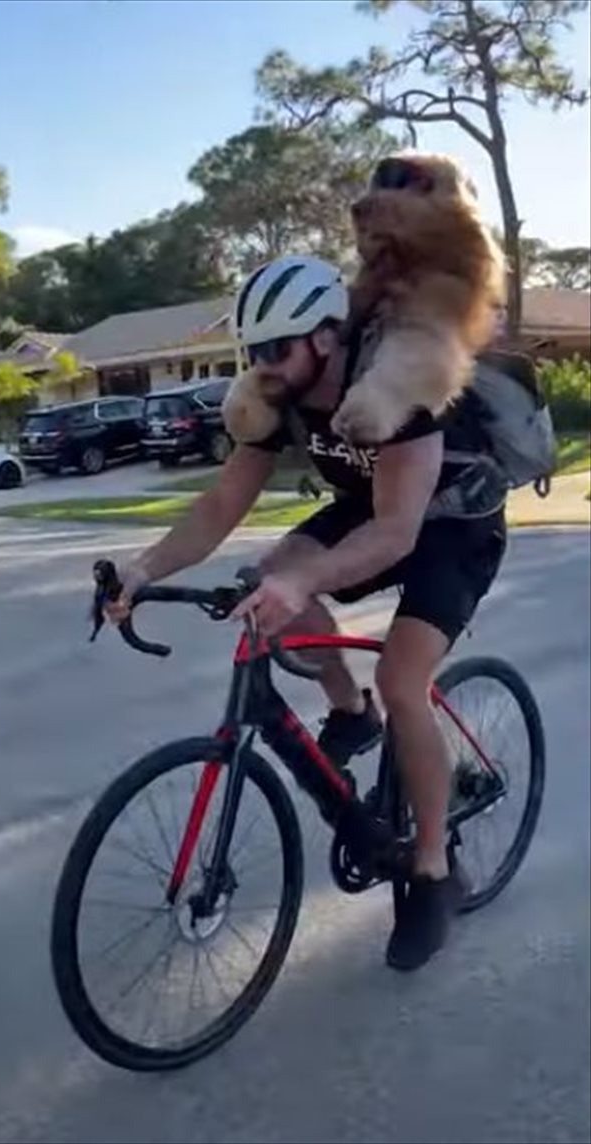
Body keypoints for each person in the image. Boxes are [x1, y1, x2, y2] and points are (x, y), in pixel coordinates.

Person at [105, 254, 507, 972]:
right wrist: (142, 570)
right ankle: (349, 710)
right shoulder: (275, 396)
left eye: (275, 349)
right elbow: (223, 503)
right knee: (268, 580)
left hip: (451, 523)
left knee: (404, 680)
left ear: (325, 337)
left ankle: (435, 871)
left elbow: (397, 533)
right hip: (371, 507)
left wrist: (305, 582)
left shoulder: (400, 382)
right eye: (251, 352)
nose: (262, 365)